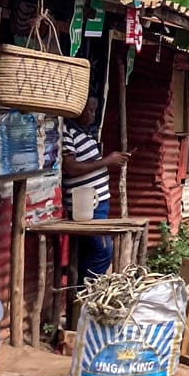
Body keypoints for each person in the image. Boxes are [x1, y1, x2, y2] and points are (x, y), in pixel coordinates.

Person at [64, 96, 130, 283]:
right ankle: (87, 296)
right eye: (90, 110)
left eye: (95, 110)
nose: (93, 115)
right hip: (87, 207)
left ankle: (81, 296)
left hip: (97, 204)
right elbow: (70, 168)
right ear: (77, 109)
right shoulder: (67, 132)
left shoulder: (83, 134)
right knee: (103, 252)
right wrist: (107, 161)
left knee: (90, 252)